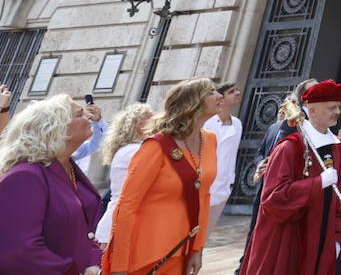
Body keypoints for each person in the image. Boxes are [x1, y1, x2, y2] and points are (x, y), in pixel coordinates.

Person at [106, 78, 220, 275]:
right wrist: (119, 266)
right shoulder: (156, 146)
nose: (219, 96)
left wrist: (197, 248)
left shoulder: (210, 139)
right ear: (193, 103)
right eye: (211, 92)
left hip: (182, 249)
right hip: (145, 254)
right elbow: (126, 206)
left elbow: (204, 196)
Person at [240, 79, 341, 275]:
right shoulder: (289, 146)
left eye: (338, 107)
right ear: (312, 110)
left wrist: (336, 237)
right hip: (289, 238)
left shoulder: (336, 145)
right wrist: (318, 183)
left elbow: (339, 197)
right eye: (331, 107)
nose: (337, 112)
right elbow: (273, 198)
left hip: (321, 237)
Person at [0, 93, 103, 275]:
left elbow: (86, 228)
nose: (88, 117)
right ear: (56, 129)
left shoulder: (67, 167)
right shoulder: (25, 175)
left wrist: (92, 262)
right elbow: (17, 250)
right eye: (79, 114)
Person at [235, 77, 316, 275]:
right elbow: (261, 152)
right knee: (255, 229)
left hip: (286, 190)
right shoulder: (274, 128)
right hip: (265, 188)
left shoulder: (310, 127)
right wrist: (259, 166)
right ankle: (244, 265)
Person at [95, 102, 155, 245]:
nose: (156, 121)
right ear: (139, 125)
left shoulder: (130, 148)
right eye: (150, 118)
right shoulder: (136, 150)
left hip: (118, 222)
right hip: (120, 225)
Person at [203, 82, 243, 231]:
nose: (237, 93)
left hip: (224, 186)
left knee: (207, 232)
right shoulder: (208, 123)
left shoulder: (237, 124)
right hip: (207, 185)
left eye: (236, 89)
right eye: (232, 92)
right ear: (221, 99)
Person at [72, 99, 107, 175]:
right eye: (80, 114)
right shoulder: (46, 160)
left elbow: (96, 144)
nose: (90, 116)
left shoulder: (74, 148)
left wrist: (97, 121)